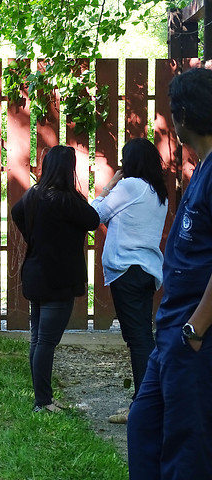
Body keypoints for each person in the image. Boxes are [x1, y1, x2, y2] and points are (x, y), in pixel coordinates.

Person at [127, 67, 212, 479]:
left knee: (186, 445)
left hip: (194, 338)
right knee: (144, 427)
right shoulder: (203, 169)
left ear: (183, 117)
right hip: (171, 335)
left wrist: (196, 328)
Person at [11, 145, 100, 413]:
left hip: (36, 273)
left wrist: (33, 236)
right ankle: (44, 402)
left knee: (38, 339)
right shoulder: (67, 200)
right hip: (59, 278)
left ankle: (42, 398)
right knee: (46, 342)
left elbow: (16, 213)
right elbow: (93, 220)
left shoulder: (34, 194)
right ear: (68, 169)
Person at [91, 138, 168, 424]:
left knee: (138, 340)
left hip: (128, 270)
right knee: (141, 337)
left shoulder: (130, 186)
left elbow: (95, 214)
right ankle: (149, 402)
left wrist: (108, 187)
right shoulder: (157, 192)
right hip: (146, 271)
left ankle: (144, 406)